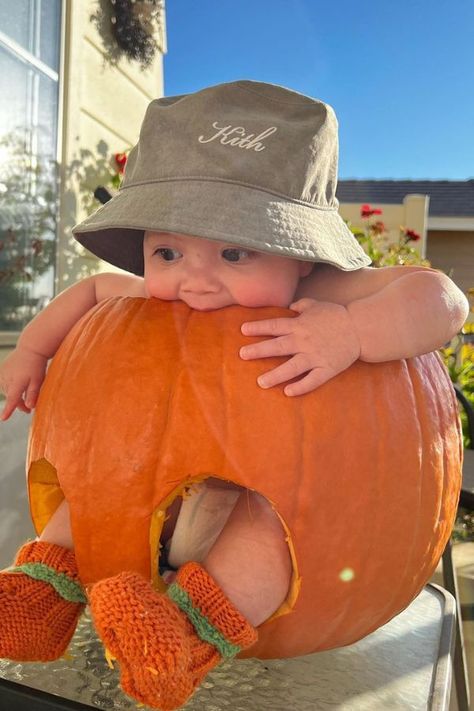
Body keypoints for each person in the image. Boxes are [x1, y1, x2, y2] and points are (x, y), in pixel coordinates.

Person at [0, 80, 469, 711]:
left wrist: (356, 334)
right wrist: (30, 352)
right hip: (136, 504)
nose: (195, 278)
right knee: (91, 489)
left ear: (301, 255)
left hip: (258, 503)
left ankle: (186, 635)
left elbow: (442, 299)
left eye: (234, 250)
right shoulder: (149, 297)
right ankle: (48, 587)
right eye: (167, 250)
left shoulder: (332, 293)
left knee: (268, 539)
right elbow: (88, 295)